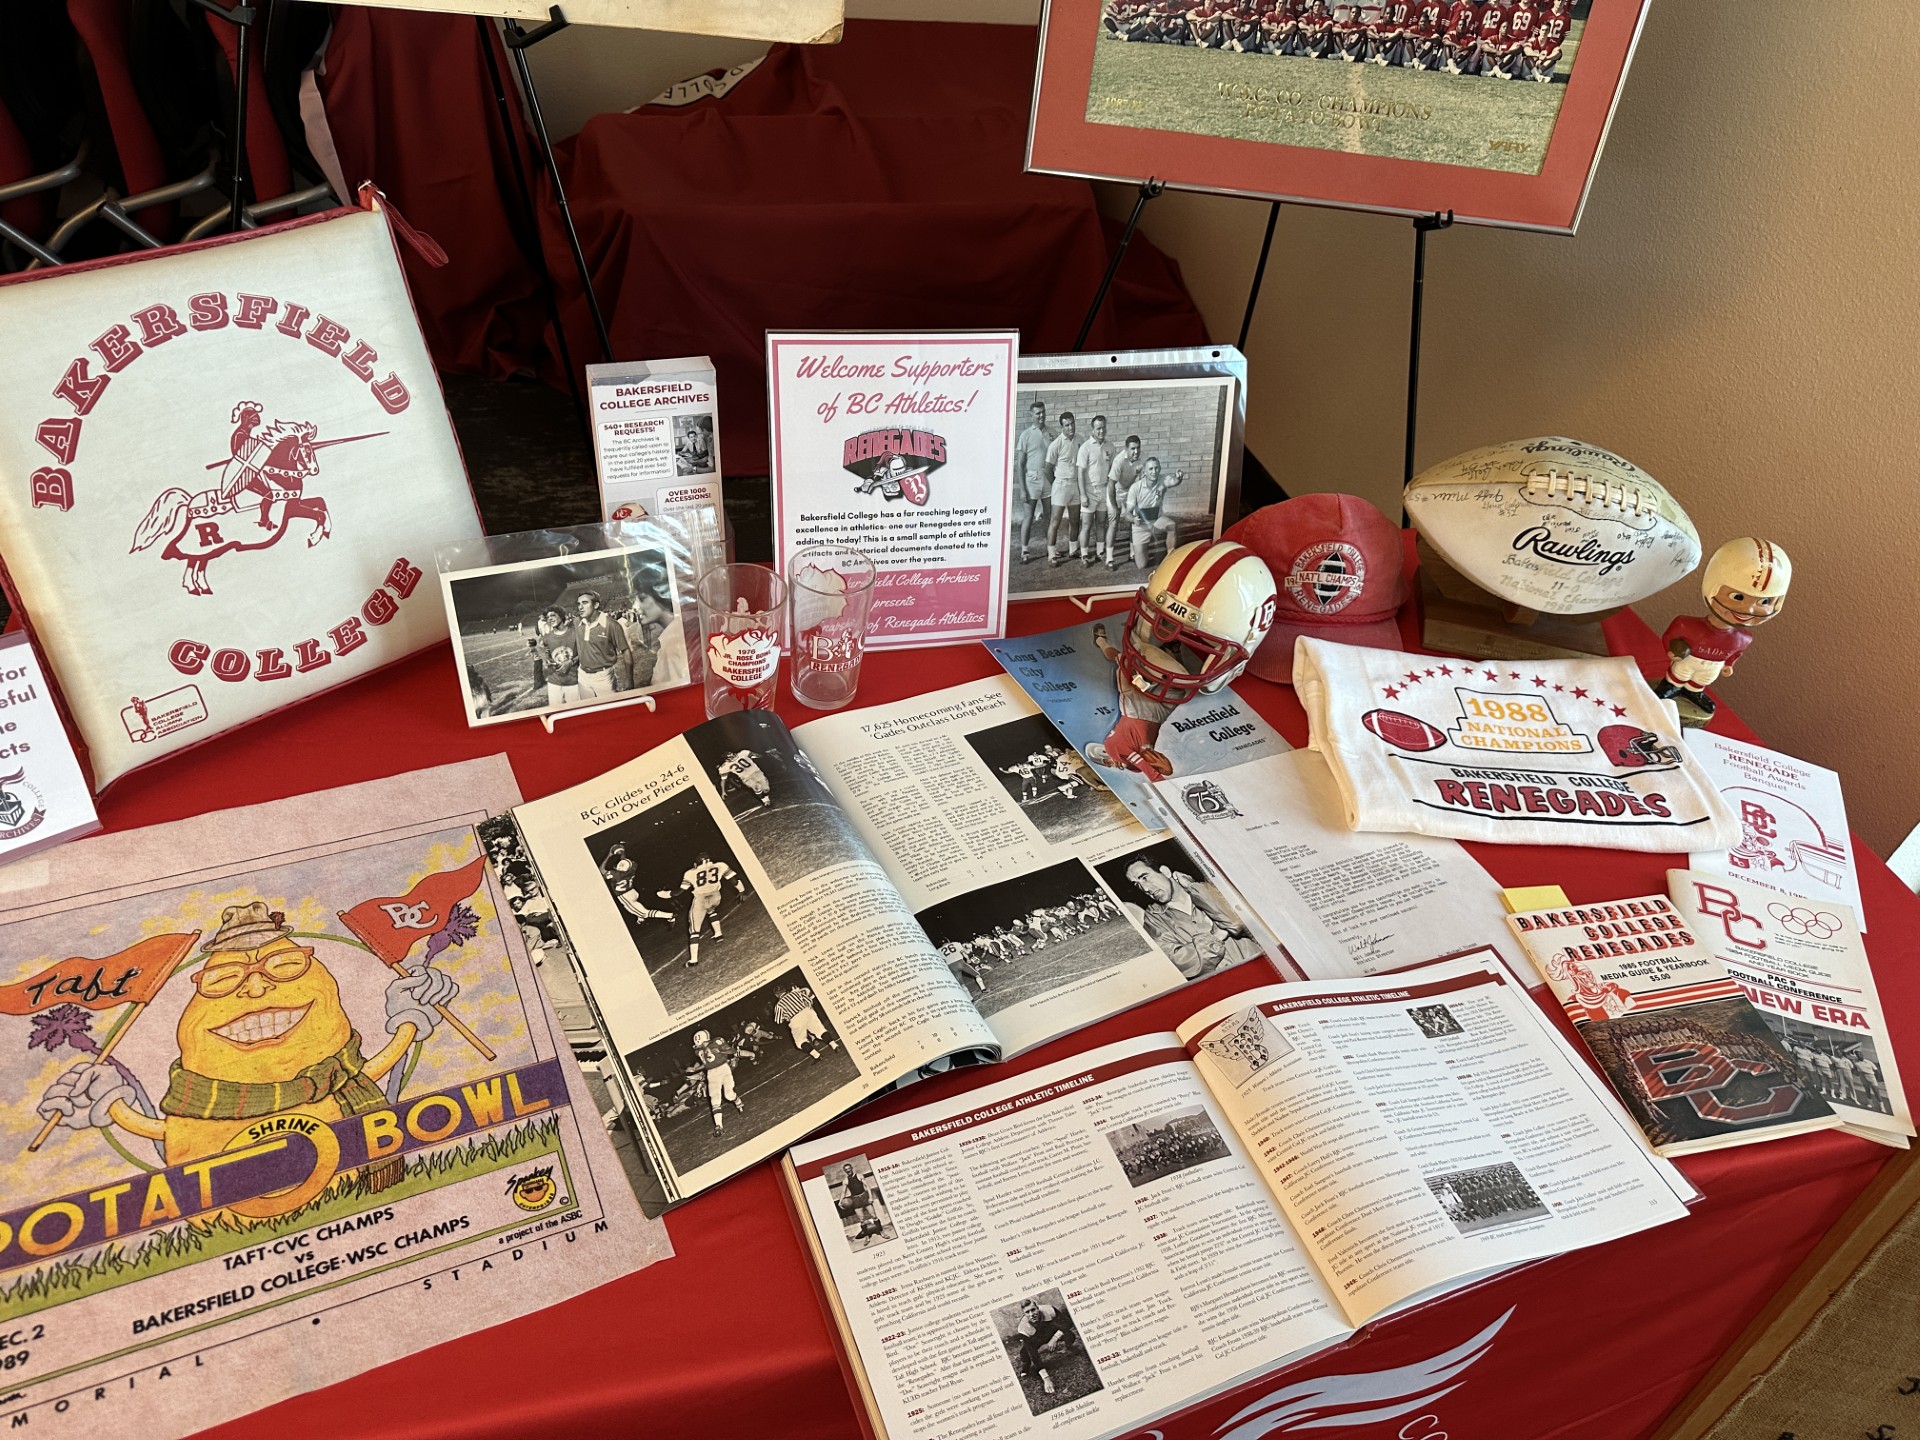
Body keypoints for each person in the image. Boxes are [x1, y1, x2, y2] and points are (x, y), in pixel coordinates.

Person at [1122, 858, 1260, 979]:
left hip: (1259, 965)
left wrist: (1191, 887)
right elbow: (1179, 962)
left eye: (1145, 878)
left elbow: (1237, 921)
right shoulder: (1154, 920)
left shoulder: (1205, 889)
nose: (1144, 888)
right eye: (1137, 884)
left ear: (1165, 872)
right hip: (1225, 984)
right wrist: (1216, 936)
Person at [680, 853, 745, 967]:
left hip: (700, 899)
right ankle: (718, 934)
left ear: (696, 864)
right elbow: (734, 881)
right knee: (711, 911)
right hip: (716, 896)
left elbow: (681, 891)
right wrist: (741, 891)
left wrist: (667, 894)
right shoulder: (720, 865)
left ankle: (693, 960)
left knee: (694, 930)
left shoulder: (690, 873)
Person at [1123, 458, 1184, 571]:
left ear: (1159, 469)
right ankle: (1139, 549)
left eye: (1156, 468)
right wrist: (1133, 519)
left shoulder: (1162, 480)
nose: (1154, 471)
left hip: (1156, 521)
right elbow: (1127, 514)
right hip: (1140, 526)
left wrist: (1179, 477)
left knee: (1171, 525)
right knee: (1142, 565)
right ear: (1144, 472)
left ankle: (1170, 557)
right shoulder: (1135, 488)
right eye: (1150, 469)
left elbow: (1173, 481)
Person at [573, 588, 633, 699]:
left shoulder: (611, 625)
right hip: (582, 675)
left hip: (603, 677)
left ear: (596, 605)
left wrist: (629, 678)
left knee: (609, 709)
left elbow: (626, 651)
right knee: (588, 709)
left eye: (585, 603)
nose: (580, 607)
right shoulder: (577, 622)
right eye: (579, 604)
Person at [1013, 1299, 1080, 1397]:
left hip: (1049, 1332)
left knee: (1070, 1335)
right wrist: (1046, 1379)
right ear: (1024, 1314)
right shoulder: (1023, 1328)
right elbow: (1033, 1355)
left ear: (1038, 1308)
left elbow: (1067, 1322)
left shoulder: (1049, 1309)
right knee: (1025, 1353)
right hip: (1035, 1338)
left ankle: (1068, 1347)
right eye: (1027, 1312)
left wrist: (1054, 1339)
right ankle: (1025, 1367)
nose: (1031, 1314)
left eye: (1033, 1310)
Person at [1075, 415, 1115, 569]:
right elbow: (1080, 473)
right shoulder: (1085, 447)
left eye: (1103, 427)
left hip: (1104, 489)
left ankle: (1100, 552)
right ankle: (1084, 554)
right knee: (1086, 524)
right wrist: (1083, 494)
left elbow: (1111, 470)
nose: (1101, 431)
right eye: (1098, 428)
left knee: (1101, 523)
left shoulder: (1110, 446)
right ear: (1093, 429)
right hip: (1089, 490)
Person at [1045, 412, 1081, 565]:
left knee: (1074, 520)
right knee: (1055, 521)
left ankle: (1073, 550)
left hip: (1075, 485)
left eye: (1072, 423)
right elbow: (1047, 469)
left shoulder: (1080, 440)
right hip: (1060, 485)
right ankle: (1051, 554)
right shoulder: (1056, 444)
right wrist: (1056, 484)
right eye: (1067, 425)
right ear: (1062, 427)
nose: (1070, 427)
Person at [692, 1028, 745, 1132]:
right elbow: (707, 1063)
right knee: (714, 1099)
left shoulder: (716, 1042)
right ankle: (719, 1126)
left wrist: (720, 1050)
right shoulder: (699, 1052)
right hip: (711, 1074)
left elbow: (732, 1051)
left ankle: (737, 1100)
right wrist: (694, 1070)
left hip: (723, 1069)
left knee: (729, 1095)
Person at [774, 983, 841, 1060]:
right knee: (821, 1031)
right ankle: (835, 1046)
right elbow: (809, 1001)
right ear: (784, 990)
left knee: (800, 1042)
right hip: (807, 1012)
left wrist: (786, 1016)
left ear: (776, 995)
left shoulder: (779, 1005)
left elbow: (778, 1021)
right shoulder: (796, 993)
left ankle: (817, 1056)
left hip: (795, 1019)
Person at [535, 606, 583, 707]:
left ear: (561, 616)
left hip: (573, 682)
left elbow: (584, 653)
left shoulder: (575, 633)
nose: (550, 619)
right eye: (548, 617)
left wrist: (571, 662)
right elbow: (542, 650)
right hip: (554, 683)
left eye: (553, 615)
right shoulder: (546, 637)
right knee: (556, 712)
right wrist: (546, 660)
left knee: (576, 713)